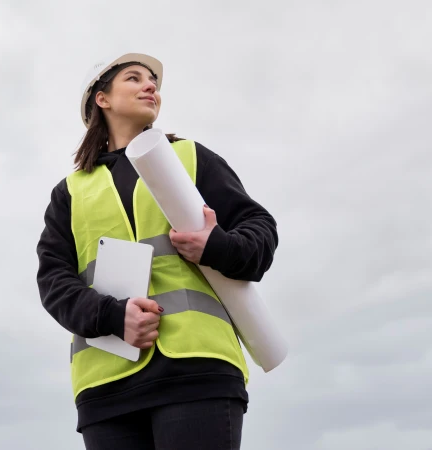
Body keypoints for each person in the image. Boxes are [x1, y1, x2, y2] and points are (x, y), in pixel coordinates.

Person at [35, 52, 279, 449]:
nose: (151, 86)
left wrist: (215, 246)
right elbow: (53, 282)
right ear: (102, 99)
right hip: (106, 390)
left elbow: (261, 233)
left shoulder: (191, 158)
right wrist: (112, 317)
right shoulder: (71, 193)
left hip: (197, 371)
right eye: (134, 78)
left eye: (153, 82)